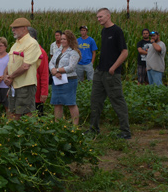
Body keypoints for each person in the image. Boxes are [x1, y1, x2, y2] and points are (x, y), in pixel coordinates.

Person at [87, 8, 132, 139]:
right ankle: (93, 129)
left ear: (108, 16)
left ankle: (125, 131)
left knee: (117, 101)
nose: (98, 19)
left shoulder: (117, 31)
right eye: (97, 17)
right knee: (95, 101)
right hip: (100, 72)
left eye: (100, 16)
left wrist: (113, 67)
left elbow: (125, 52)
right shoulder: (104, 31)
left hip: (111, 74)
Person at [3, 17, 42, 120]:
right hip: (14, 84)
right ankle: (15, 133)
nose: (13, 30)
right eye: (12, 28)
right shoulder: (16, 44)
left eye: (15, 28)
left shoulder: (31, 43)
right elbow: (10, 63)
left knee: (27, 112)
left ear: (24, 28)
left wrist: (10, 76)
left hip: (25, 84)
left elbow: (25, 66)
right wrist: (6, 76)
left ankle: (31, 134)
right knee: (13, 111)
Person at [49, 30, 81, 125]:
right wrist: (54, 71)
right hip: (57, 80)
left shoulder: (73, 52)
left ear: (70, 40)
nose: (62, 41)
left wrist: (58, 70)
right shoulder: (58, 51)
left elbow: (71, 67)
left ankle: (75, 126)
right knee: (57, 103)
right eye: (62, 39)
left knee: (70, 103)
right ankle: (58, 124)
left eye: (64, 39)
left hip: (69, 81)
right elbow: (51, 62)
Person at [29, 27, 50, 116]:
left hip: (36, 93)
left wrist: (44, 92)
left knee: (37, 117)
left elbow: (44, 74)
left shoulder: (41, 52)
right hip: (26, 92)